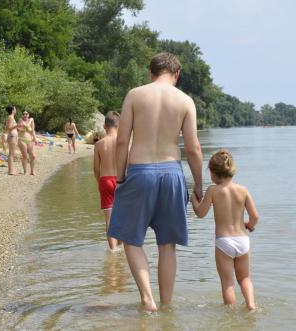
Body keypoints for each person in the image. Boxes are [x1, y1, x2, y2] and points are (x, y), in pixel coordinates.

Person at [107, 52, 203, 312]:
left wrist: (120, 177)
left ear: (151, 73)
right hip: (172, 173)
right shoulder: (185, 101)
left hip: (139, 170)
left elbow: (121, 140)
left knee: (131, 238)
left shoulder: (135, 95)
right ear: (177, 74)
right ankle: (167, 306)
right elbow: (193, 148)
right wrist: (199, 184)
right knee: (167, 244)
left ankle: (148, 300)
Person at [191, 149, 259, 310]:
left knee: (227, 282)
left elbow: (201, 213)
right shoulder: (243, 190)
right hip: (243, 241)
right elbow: (255, 216)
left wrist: (194, 200)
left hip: (224, 242)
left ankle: (231, 313)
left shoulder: (213, 190)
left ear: (214, 173)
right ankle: (251, 305)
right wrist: (249, 225)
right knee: (245, 278)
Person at [93, 111, 123, 251]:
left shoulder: (99, 144)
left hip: (105, 180)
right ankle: (121, 249)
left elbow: (95, 169)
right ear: (119, 125)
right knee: (123, 218)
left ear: (105, 126)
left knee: (109, 221)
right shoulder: (123, 142)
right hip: (121, 180)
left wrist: (100, 182)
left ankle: (113, 253)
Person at [17, 110, 37, 175]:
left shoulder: (31, 121)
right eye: (24, 114)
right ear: (22, 115)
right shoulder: (20, 120)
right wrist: (28, 124)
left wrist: (35, 138)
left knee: (33, 156)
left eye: (26, 114)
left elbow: (32, 130)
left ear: (28, 115)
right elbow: (19, 129)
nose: (25, 115)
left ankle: (32, 171)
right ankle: (25, 171)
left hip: (29, 140)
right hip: (22, 139)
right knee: (25, 156)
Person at [5, 105, 20, 175]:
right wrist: (17, 125)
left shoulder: (11, 117)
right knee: (11, 154)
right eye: (15, 108)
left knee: (12, 154)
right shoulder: (10, 117)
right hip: (12, 136)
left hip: (13, 136)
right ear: (12, 110)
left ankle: (11, 170)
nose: (16, 109)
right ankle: (10, 171)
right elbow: (9, 128)